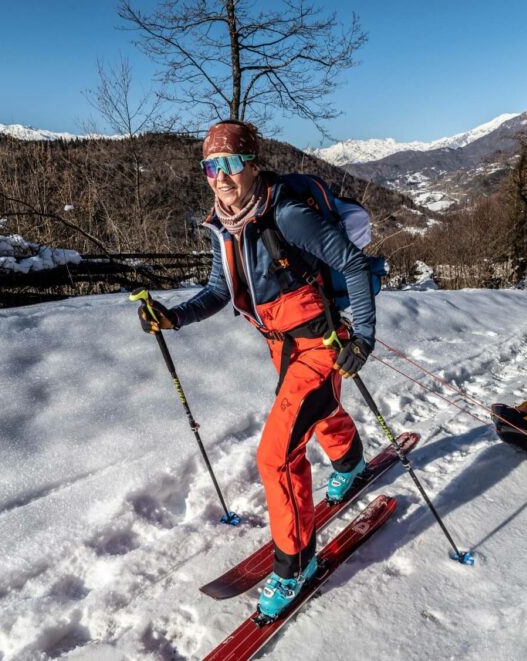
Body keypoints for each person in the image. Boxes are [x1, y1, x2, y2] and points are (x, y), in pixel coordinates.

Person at [137, 120, 375, 619]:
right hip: (280, 344)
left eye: (230, 163)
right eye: (210, 166)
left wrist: (365, 337)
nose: (220, 176)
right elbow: (220, 291)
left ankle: (296, 567)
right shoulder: (225, 223)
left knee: (276, 457)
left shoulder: (286, 214)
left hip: (319, 343)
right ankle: (351, 463)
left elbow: (353, 265)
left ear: (252, 164)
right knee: (313, 413)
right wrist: (174, 316)